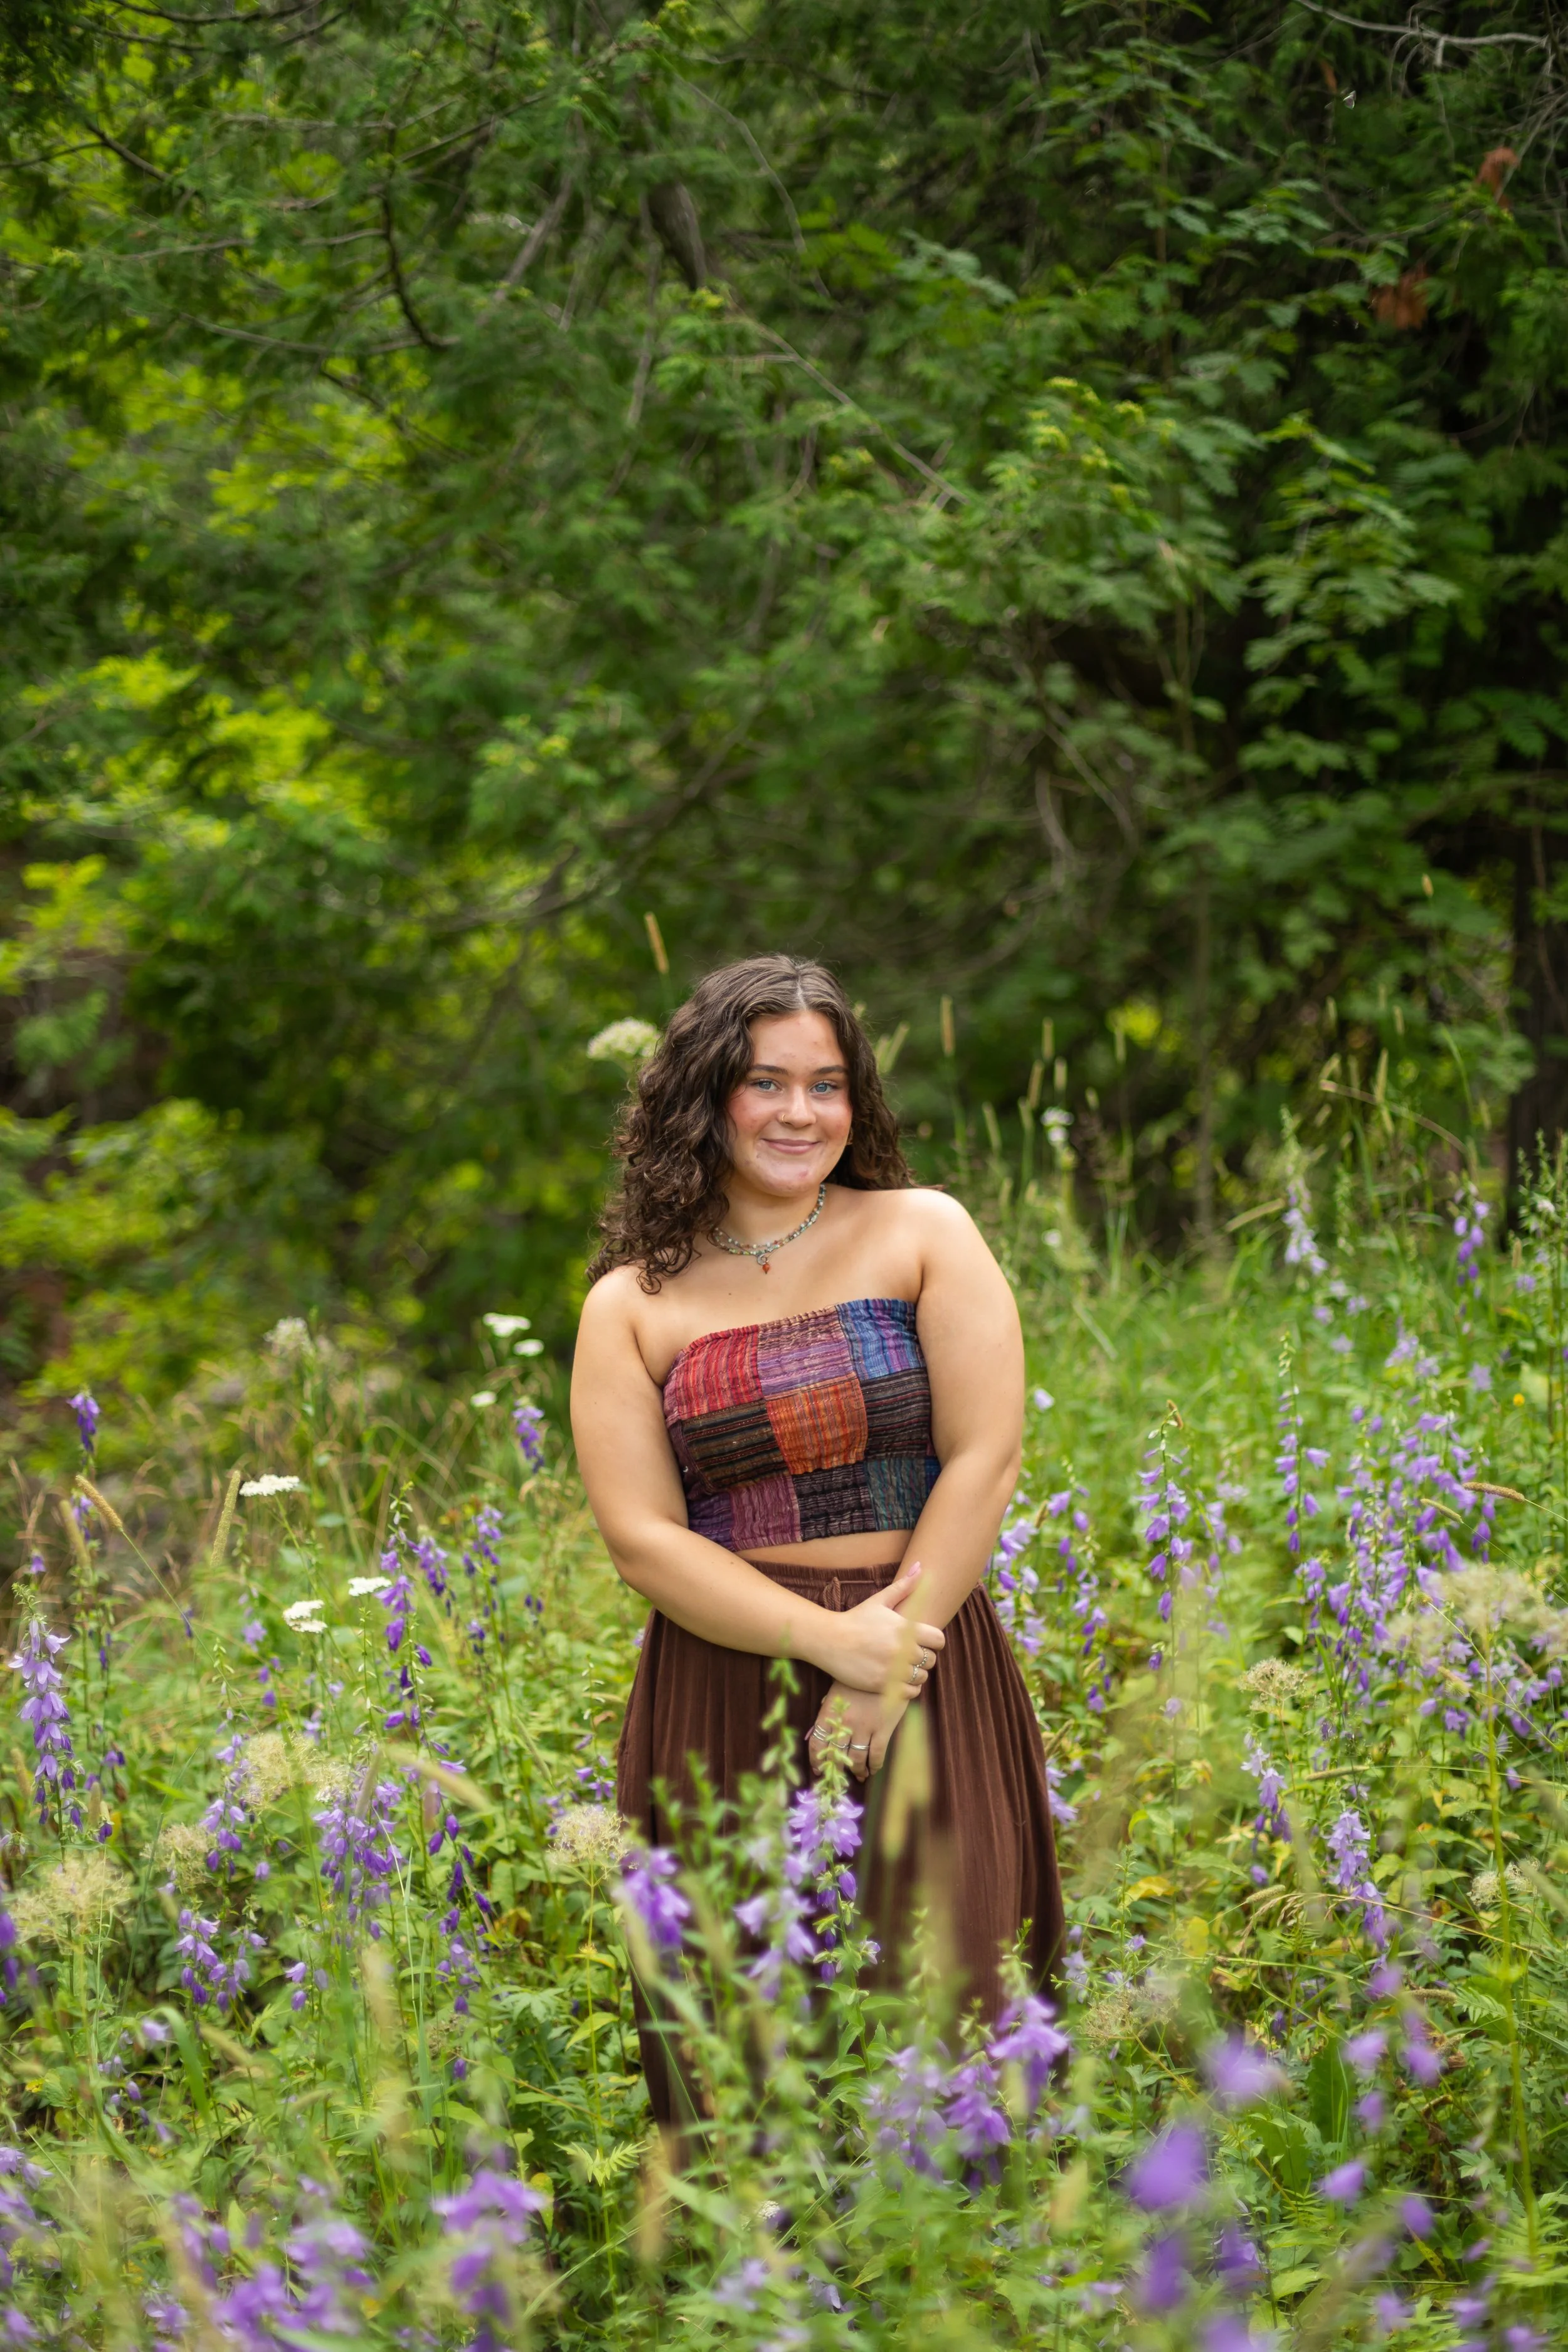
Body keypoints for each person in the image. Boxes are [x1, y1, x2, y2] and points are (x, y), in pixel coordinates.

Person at [571, 953, 1062, 2123]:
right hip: (723, 1685)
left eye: (828, 1085)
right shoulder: (632, 1303)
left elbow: (985, 1455)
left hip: (928, 1660)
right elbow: (642, 1536)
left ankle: (960, 2293)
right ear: (706, 1097)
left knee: (957, 2011)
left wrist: (885, 1660)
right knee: (749, 2056)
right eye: (767, 1082)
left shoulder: (923, 1232)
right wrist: (828, 1644)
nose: (802, 1112)